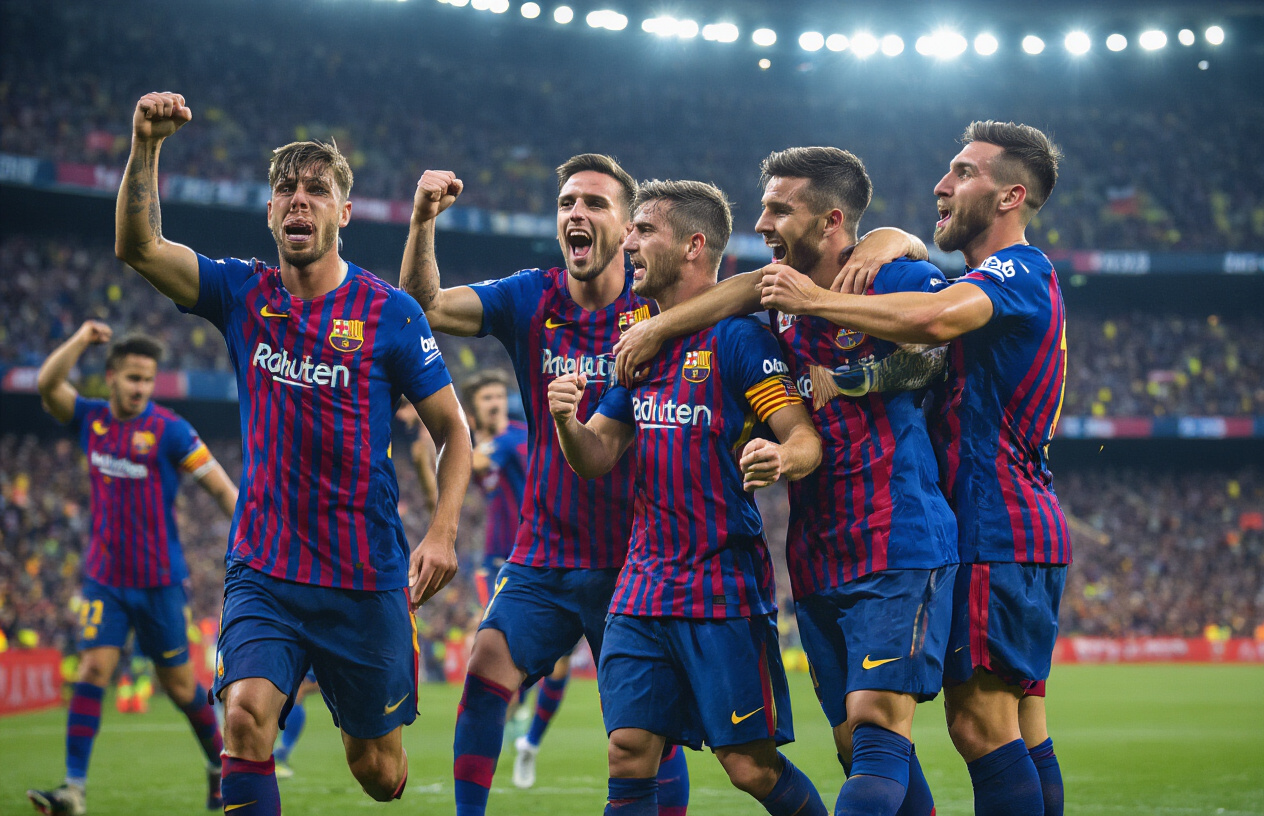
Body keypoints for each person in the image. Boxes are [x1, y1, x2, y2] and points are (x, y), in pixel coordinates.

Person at [113, 91, 473, 815]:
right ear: (271, 212)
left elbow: (455, 433)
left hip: (363, 576)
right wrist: (146, 146)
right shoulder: (243, 292)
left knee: (376, 772)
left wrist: (441, 531)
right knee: (243, 718)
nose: (299, 201)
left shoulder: (390, 313)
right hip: (266, 569)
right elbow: (140, 248)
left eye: (318, 190)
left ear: (343, 212)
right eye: (286, 190)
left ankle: (379, 751)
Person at [610, 148, 958, 816]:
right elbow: (741, 292)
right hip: (819, 552)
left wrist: (851, 372)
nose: (762, 219)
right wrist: (659, 327)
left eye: (778, 208)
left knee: (878, 726)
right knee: (857, 745)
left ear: (831, 220)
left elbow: (935, 356)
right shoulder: (776, 303)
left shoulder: (892, 273)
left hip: (898, 535)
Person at [756, 120, 1069, 816]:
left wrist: (816, 298)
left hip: (997, 520)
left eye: (964, 171)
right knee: (1018, 727)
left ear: (1012, 194)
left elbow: (931, 319)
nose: (942, 182)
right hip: (993, 520)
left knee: (980, 726)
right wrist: (895, 236)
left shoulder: (1018, 269)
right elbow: (925, 297)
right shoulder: (977, 276)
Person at [399, 158, 689, 816]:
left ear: (629, 228)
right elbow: (427, 305)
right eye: (565, 204)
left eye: (594, 203)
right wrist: (422, 222)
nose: (576, 214)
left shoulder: (660, 307)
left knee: (645, 736)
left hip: (637, 560)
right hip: (545, 554)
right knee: (484, 672)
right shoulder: (531, 297)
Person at [548, 179, 826, 816]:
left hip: (721, 589)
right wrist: (567, 422)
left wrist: (782, 457)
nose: (629, 242)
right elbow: (596, 458)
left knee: (749, 767)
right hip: (642, 586)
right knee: (629, 749)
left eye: (644, 230)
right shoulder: (642, 341)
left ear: (694, 245)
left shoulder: (740, 342)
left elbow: (803, 437)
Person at [27, 322, 237, 816]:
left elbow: (223, 490)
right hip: (105, 579)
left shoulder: (171, 430)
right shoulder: (90, 418)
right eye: (132, 378)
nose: (140, 388)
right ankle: (73, 790)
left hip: (160, 582)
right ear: (111, 377)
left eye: (148, 379)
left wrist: (256, 537)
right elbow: (45, 385)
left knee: (183, 689)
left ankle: (218, 766)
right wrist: (79, 338)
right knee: (93, 669)